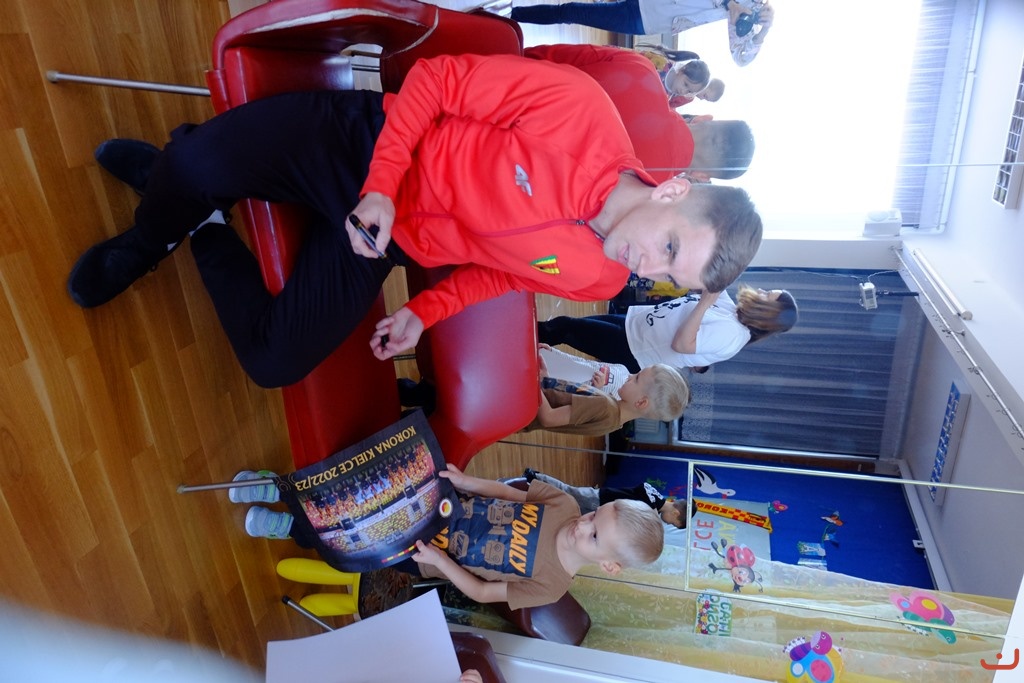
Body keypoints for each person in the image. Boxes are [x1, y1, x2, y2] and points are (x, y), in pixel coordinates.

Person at [68, 53, 763, 389]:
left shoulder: (602, 278)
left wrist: (422, 313)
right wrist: (379, 186)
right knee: (192, 165)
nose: (647, 268)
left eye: (668, 275)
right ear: (675, 191)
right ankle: (148, 236)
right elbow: (435, 80)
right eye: (669, 245)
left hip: (383, 240)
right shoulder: (579, 110)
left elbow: (501, 275)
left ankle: (204, 223)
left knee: (273, 362)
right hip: (366, 147)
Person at [233, 464, 665, 610]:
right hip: (437, 506)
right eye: (593, 515)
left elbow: (482, 591)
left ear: (609, 564)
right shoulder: (565, 505)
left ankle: (288, 527)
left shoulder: (551, 587)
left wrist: (440, 564)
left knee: (355, 540)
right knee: (361, 504)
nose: (581, 525)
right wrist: (467, 481)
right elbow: (508, 493)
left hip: (425, 555)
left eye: (593, 536)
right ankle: (280, 490)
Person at [524, 44, 754, 183]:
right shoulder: (641, 193)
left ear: (704, 118)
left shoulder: (641, 68)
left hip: (513, 85)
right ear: (701, 176)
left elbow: (546, 55)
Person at [539, 285, 798, 373]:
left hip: (634, 348)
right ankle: (524, 345)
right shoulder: (733, 312)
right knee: (563, 327)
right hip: (632, 325)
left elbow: (682, 345)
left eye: (767, 295)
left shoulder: (732, 335)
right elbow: (712, 282)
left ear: (767, 313)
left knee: (562, 327)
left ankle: (519, 347)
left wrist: (703, 303)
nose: (760, 291)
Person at [511, 0, 776, 67]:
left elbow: (741, 58)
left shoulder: (753, 10)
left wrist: (763, 31)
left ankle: (509, 16)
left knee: (571, 12)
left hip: (646, 18)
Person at [525, 345, 689, 437]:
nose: (630, 376)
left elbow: (549, 418)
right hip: (529, 407)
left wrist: (536, 380)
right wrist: (547, 378)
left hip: (524, 407)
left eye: (637, 378)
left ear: (641, 402)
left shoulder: (605, 406)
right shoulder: (615, 420)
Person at [523, 468, 698, 529]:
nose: (668, 523)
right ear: (676, 513)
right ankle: (535, 477)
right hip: (600, 499)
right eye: (673, 523)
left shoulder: (654, 504)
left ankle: (534, 495)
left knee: (566, 506)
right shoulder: (653, 503)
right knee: (567, 492)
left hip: (602, 508)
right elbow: (642, 489)